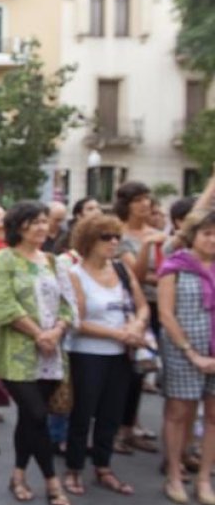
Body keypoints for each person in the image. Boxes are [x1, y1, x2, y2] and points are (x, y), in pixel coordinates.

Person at [0, 201, 75, 505]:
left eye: (45, 221)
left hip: (50, 352)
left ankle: (18, 475)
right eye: (36, 222)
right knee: (37, 414)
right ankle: (52, 481)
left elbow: (68, 305)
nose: (43, 227)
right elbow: (1, 305)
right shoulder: (2, 260)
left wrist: (56, 331)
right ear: (19, 227)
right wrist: (38, 334)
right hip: (15, 352)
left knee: (30, 419)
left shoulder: (53, 261)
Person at [60, 213, 147, 497]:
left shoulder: (121, 269)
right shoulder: (75, 274)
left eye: (117, 237)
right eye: (105, 237)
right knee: (82, 413)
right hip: (87, 353)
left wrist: (136, 326)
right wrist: (117, 334)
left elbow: (142, 306)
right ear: (88, 241)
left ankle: (103, 466)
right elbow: (77, 321)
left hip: (121, 353)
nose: (113, 242)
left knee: (112, 412)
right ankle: (74, 468)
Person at [158, 209, 215, 505]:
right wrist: (191, 353)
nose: (213, 239)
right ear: (193, 235)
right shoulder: (175, 266)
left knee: (213, 416)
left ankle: (204, 479)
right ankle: (174, 476)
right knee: (178, 412)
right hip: (182, 349)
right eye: (207, 233)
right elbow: (166, 314)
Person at [112, 181, 162, 453]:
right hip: (130, 308)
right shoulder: (118, 234)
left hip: (158, 306)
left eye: (147, 198)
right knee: (127, 373)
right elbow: (137, 275)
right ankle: (118, 430)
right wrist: (146, 246)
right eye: (138, 199)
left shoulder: (157, 232)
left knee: (142, 371)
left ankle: (130, 427)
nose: (145, 204)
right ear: (126, 204)